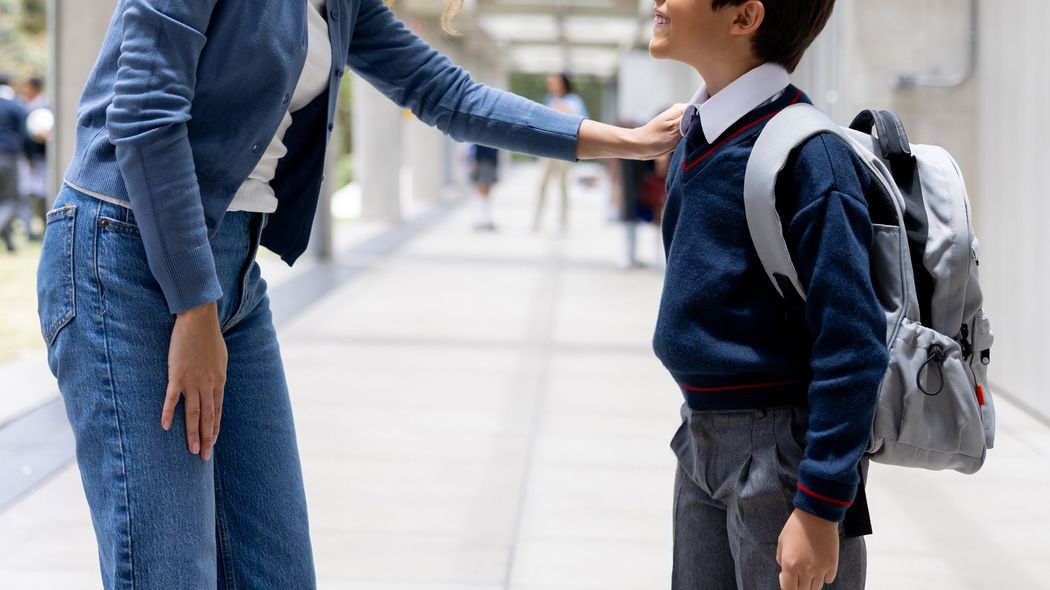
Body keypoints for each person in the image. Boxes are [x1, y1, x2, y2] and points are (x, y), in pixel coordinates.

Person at [35, 0, 683, 588]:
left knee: (277, 570)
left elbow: (446, 93)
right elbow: (144, 113)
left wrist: (624, 141)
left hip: (228, 270)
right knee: (170, 572)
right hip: (125, 257)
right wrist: (193, 304)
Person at [648, 1, 888, 589]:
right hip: (701, 438)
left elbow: (854, 342)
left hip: (781, 455)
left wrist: (821, 504)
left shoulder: (808, 155)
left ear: (744, 17)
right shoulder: (698, 137)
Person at [533, 73, 588, 232]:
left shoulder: (574, 100)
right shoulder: (548, 99)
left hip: (565, 148)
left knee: (563, 185)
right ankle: (537, 220)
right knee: (542, 184)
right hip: (547, 150)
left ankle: (563, 221)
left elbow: (582, 120)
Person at [19, 77, 49, 240]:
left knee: (42, 194)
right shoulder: (23, 105)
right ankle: (28, 230)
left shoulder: (45, 106)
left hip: (42, 157)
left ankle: (45, 225)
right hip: (29, 158)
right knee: (27, 194)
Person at [0, 73, 27, 252]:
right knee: (11, 201)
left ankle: (9, 243)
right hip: (8, 157)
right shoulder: (16, 107)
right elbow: (26, 134)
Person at [469, 143, 500, 231]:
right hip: (482, 160)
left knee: (486, 194)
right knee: (481, 193)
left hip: (488, 161)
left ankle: (485, 220)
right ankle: (480, 220)